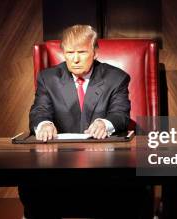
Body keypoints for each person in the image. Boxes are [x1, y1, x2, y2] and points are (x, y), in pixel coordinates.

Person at [20, 25, 152, 218]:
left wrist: (105, 123)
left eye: (82, 52)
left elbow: (120, 114)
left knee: (132, 184)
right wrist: (44, 124)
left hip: (106, 165)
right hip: (59, 164)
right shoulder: (48, 78)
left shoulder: (116, 78)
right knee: (31, 182)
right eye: (69, 53)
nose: (75, 59)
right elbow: (39, 110)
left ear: (95, 52)